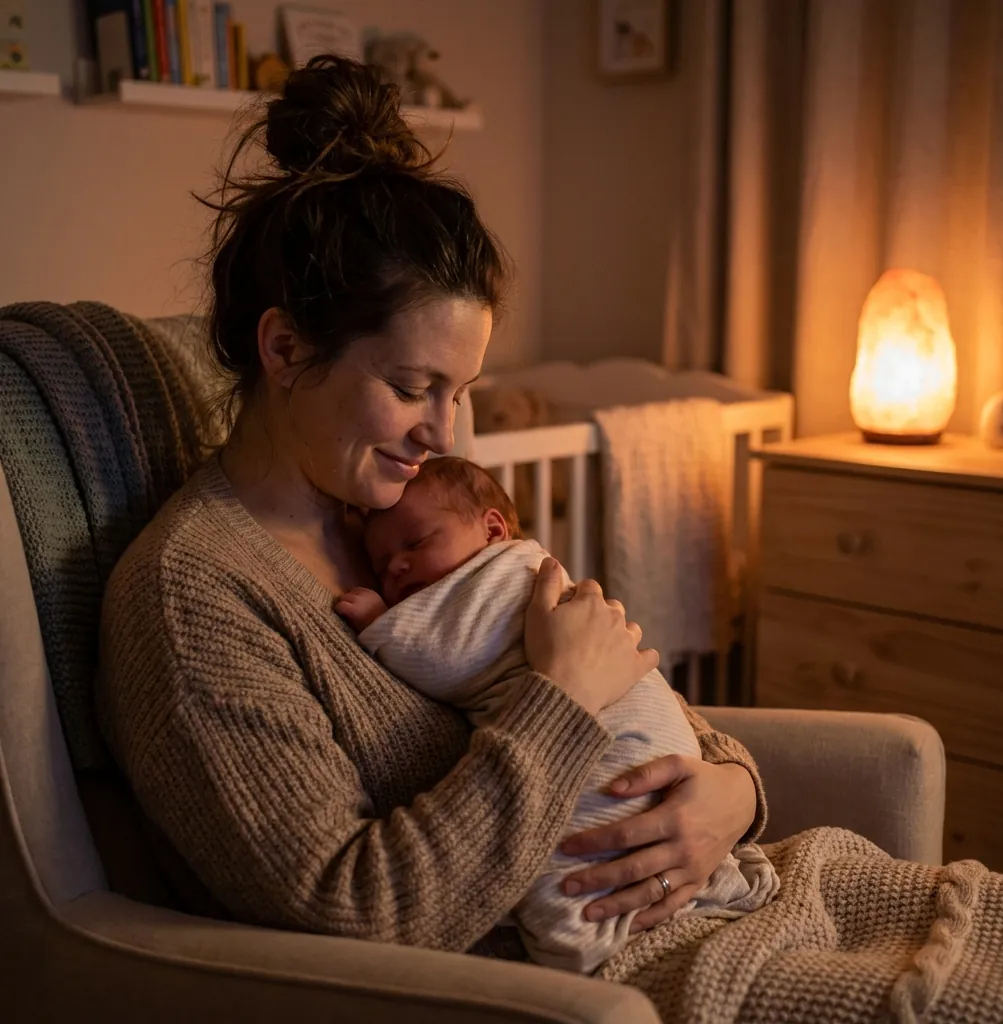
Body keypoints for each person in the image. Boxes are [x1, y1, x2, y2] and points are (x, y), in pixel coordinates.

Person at [95, 54, 765, 965]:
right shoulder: (194, 597)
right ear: (286, 347)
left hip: (715, 894)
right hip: (591, 968)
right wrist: (560, 699)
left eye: (462, 392)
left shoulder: (412, 515)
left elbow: (625, 685)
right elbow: (353, 917)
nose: (443, 435)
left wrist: (731, 792)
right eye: (413, 388)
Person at [337, 455, 780, 973]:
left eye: (414, 544)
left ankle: (592, 924)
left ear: (493, 530)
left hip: (642, 743)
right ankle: (617, 918)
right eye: (382, 562)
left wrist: (381, 624)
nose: (395, 568)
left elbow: (449, 660)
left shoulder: (502, 578)